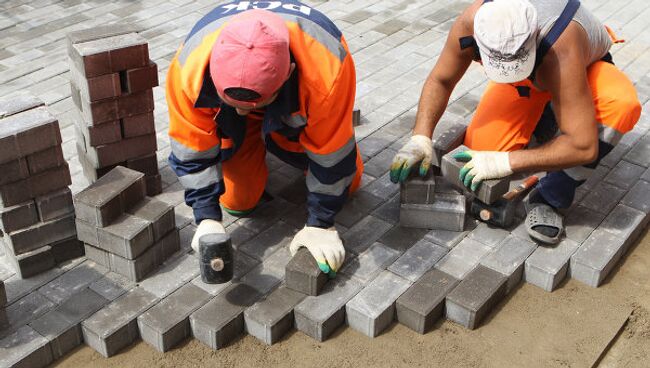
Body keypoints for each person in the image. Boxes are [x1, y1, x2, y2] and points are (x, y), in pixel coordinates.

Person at [390, 0, 641, 244]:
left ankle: (550, 196)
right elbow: (441, 80)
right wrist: (421, 137)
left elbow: (584, 147)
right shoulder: (473, 21)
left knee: (618, 105)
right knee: (483, 149)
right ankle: (547, 118)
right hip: (532, 73)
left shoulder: (561, 46)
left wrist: (506, 162)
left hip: (577, 66)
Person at [166, 2, 363, 275]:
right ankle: (249, 137)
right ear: (212, 70)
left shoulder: (327, 71)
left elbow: (332, 156)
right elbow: (191, 148)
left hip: (301, 95)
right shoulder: (188, 71)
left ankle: (294, 138)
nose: (242, 111)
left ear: (289, 72)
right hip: (258, 97)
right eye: (232, 102)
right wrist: (206, 217)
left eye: (253, 105)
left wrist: (321, 224)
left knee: (347, 181)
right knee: (238, 201)